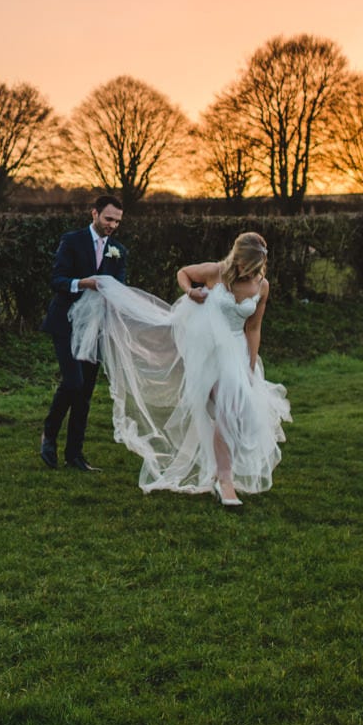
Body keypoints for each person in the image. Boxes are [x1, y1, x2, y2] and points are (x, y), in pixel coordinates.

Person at [68, 231, 289, 506]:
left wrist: (251, 366)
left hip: (236, 352)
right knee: (226, 408)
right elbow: (183, 272)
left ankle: (221, 472)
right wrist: (190, 291)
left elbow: (253, 327)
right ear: (236, 257)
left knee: (233, 413)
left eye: (253, 268)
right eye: (244, 264)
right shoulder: (215, 271)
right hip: (206, 352)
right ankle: (225, 480)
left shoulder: (262, 286)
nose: (247, 271)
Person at [39, 196, 127, 471]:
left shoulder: (118, 250)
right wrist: (82, 283)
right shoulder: (72, 240)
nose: (112, 225)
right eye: (108, 219)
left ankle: (75, 455)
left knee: (85, 392)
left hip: (96, 327)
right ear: (95, 214)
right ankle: (49, 435)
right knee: (73, 381)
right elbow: (57, 280)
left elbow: (119, 288)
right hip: (66, 322)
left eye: (117, 221)